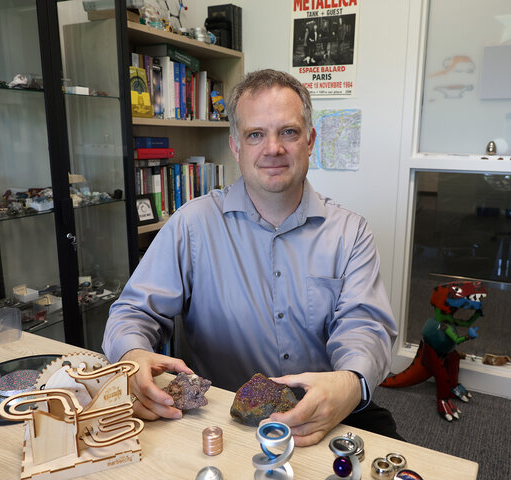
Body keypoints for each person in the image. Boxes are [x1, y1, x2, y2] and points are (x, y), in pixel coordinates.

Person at [102, 69, 402, 446]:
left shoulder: (350, 232)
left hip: (321, 414)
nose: (272, 148)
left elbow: (366, 326)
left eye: (288, 132)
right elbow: (133, 311)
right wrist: (133, 354)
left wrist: (350, 383)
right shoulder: (192, 225)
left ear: (310, 141)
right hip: (221, 419)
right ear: (236, 146)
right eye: (255, 134)